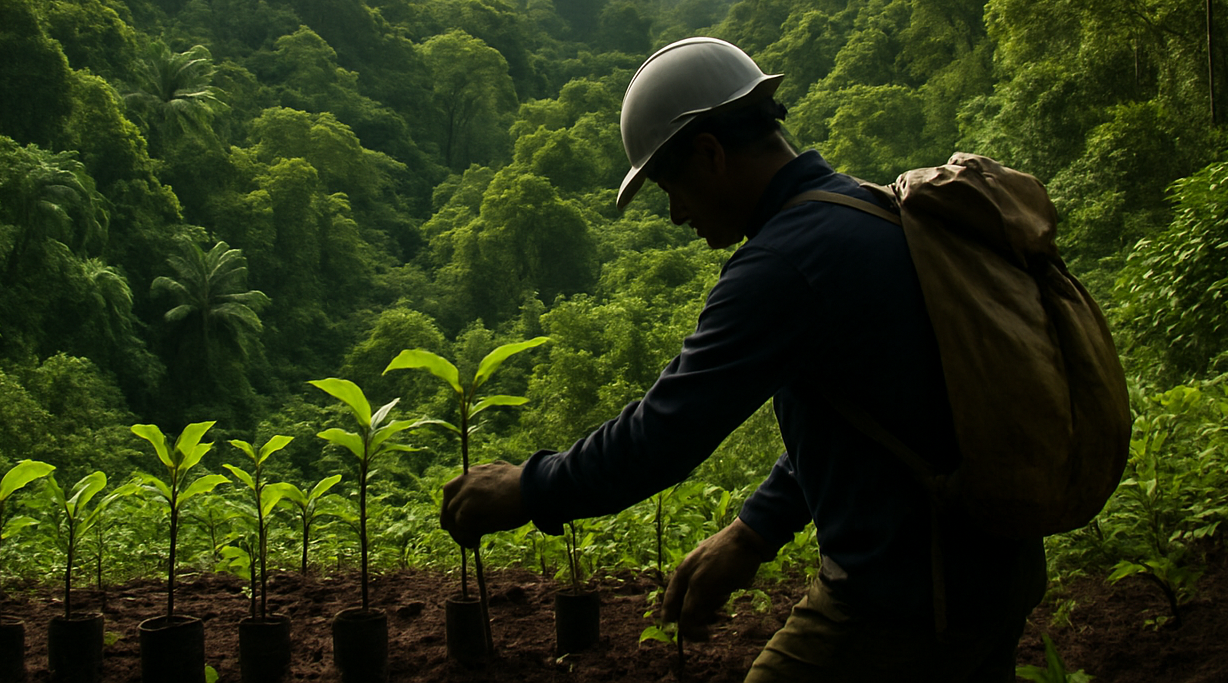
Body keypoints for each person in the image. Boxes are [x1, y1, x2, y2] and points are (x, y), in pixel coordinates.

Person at [440, 37, 1045, 681]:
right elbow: (863, 420)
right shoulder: (863, 209)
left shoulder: (785, 264)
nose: (675, 215)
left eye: (672, 187)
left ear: (710, 153)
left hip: (907, 601)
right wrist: (754, 530)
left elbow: (664, 433)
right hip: (989, 573)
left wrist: (530, 487)